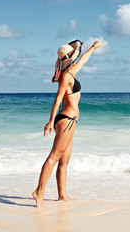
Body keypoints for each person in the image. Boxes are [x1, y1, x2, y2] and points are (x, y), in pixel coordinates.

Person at [33, 37, 103, 208]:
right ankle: (39, 192)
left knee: (64, 160)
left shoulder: (71, 72)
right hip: (66, 120)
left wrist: (93, 47)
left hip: (69, 121)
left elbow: (84, 59)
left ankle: (62, 195)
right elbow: (57, 100)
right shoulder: (66, 76)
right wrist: (50, 121)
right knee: (54, 156)